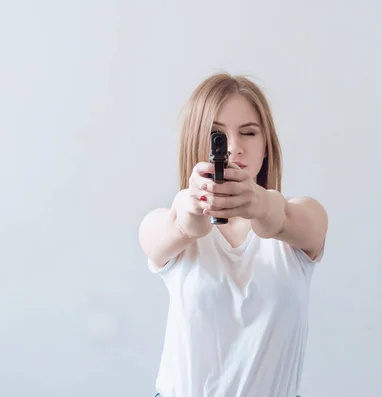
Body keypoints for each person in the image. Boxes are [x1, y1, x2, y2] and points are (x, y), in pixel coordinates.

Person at [138, 72, 328, 397]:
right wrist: (192, 212)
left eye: (249, 133)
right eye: (217, 135)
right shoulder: (166, 223)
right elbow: (168, 229)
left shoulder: (300, 216)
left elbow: (281, 220)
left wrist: (259, 203)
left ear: (267, 145)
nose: (235, 148)